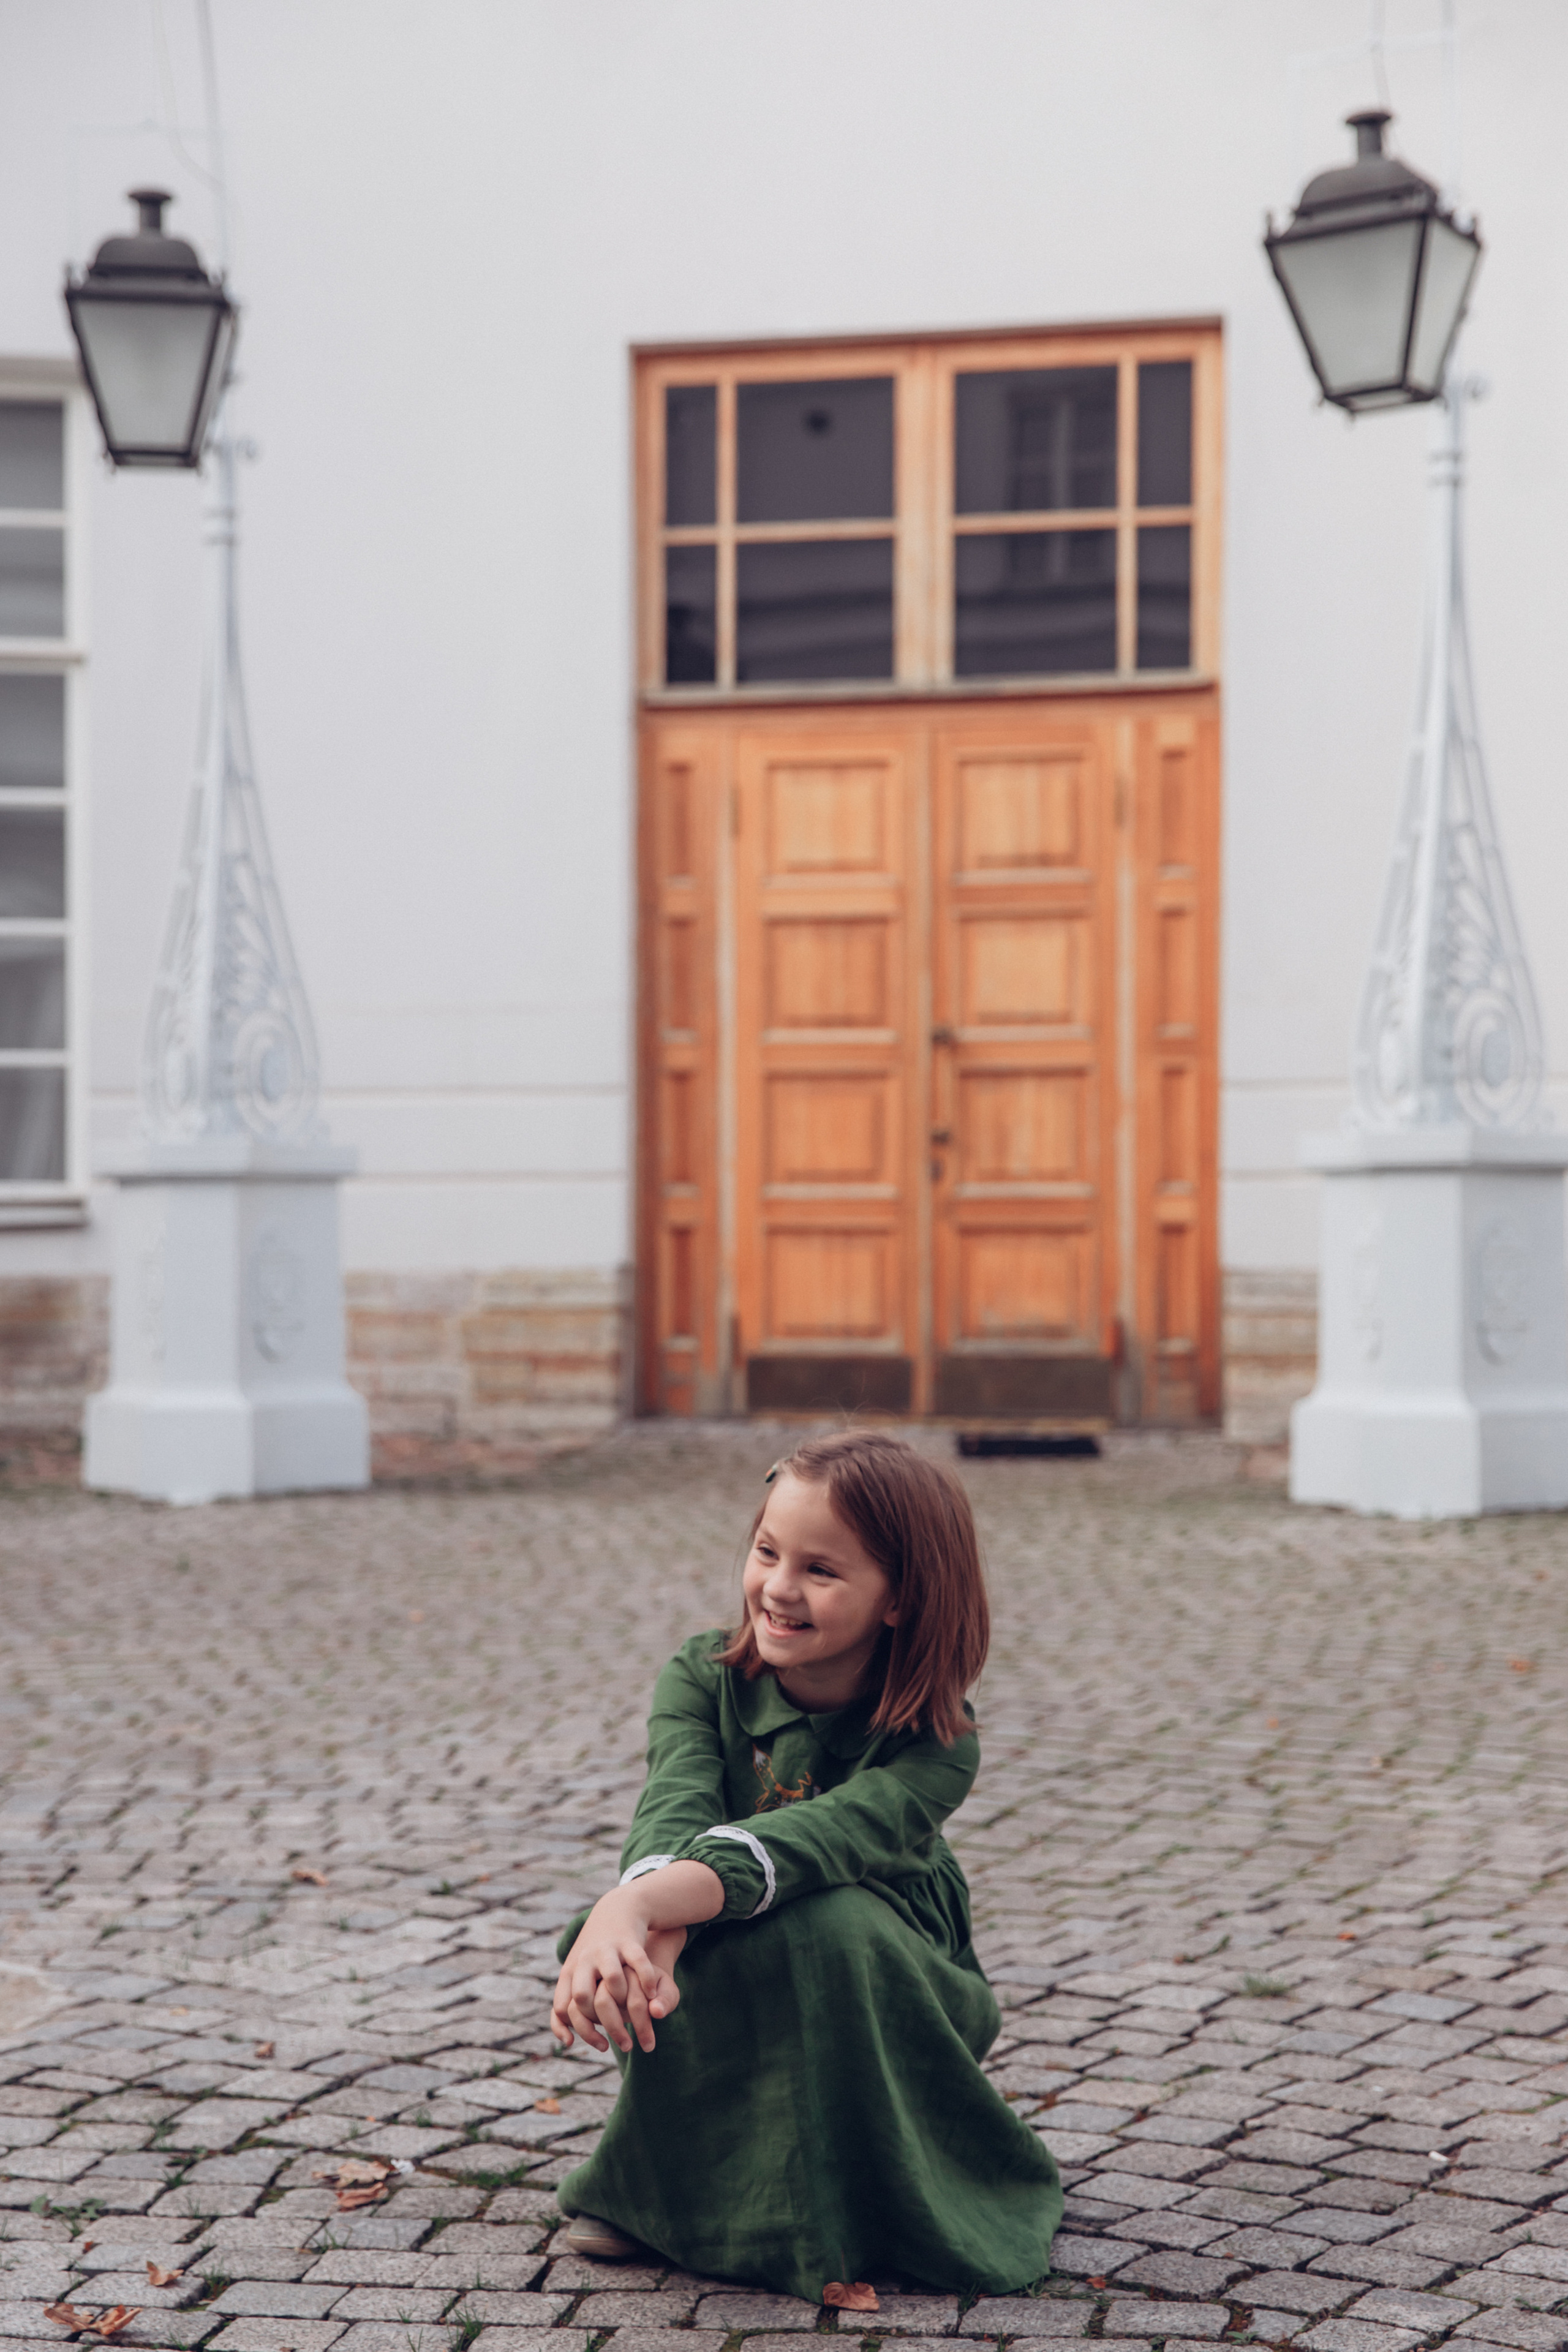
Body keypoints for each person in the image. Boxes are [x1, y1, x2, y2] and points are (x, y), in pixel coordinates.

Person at [549, 1429, 1062, 2302]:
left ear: (900, 1598)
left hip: (892, 1964)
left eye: (820, 1570)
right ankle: (663, 2184)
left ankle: (865, 2202)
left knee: (822, 1923)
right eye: (767, 1552)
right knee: (619, 1940)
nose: (779, 1588)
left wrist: (646, 1908)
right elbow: (674, 1803)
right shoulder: (700, 1676)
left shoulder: (937, 1745)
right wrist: (639, 1913)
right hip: (731, 1909)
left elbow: (814, 1844)